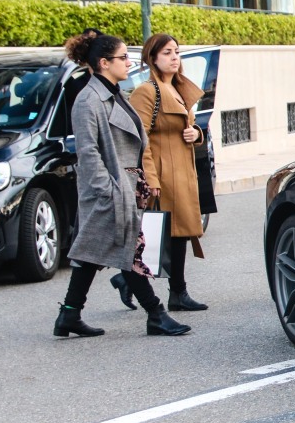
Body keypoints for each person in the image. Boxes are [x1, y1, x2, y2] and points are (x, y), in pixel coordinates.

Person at [53, 30, 190, 338]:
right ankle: (156, 313)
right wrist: (111, 189)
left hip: (125, 184)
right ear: (104, 62)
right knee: (129, 250)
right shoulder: (89, 100)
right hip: (108, 189)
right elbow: (88, 153)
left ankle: (69, 315)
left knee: (91, 254)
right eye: (122, 57)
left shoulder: (114, 93)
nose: (129, 62)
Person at [107, 33, 209, 312]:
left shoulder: (177, 87)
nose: (174, 57)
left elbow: (187, 128)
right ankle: (173, 291)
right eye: (166, 52)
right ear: (152, 58)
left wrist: (195, 133)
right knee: (170, 234)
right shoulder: (147, 91)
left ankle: (134, 280)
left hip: (183, 169)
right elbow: (140, 139)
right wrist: (150, 177)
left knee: (178, 233)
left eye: (176, 51)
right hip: (164, 172)